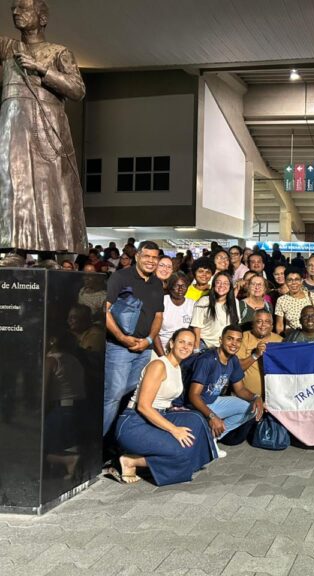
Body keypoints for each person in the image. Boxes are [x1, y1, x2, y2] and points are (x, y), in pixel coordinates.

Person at [0, 0, 87, 254]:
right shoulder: (7, 48)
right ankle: (14, 249)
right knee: (15, 184)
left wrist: (41, 69)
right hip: (13, 127)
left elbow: (77, 90)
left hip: (47, 128)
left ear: (43, 18)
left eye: (24, 9)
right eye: (13, 9)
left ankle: (51, 253)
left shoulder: (59, 52)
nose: (16, 13)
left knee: (51, 187)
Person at [111, 328, 215, 485]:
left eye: (190, 344)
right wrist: (175, 430)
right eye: (181, 342)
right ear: (172, 343)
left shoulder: (177, 367)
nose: (185, 347)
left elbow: (163, 399)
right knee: (181, 451)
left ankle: (174, 461)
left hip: (159, 415)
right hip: (134, 423)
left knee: (197, 419)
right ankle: (130, 461)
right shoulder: (159, 365)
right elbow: (144, 407)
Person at [103, 241, 164, 437]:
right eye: (147, 256)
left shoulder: (156, 283)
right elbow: (104, 310)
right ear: (137, 256)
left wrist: (149, 340)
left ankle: (118, 438)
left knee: (131, 395)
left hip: (144, 349)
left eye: (155, 257)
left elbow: (158, 316)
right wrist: (122, 337)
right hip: (119, 348)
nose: (151, 261)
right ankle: (99, 444)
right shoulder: (120, 277)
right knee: (113, 395)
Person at [183, 325, 263, 455]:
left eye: (238, 340)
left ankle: (211, 438)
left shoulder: (233, 360)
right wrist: (212, 416)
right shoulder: (207, 360)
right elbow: (194, 395)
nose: (234, 344)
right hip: (197, 406)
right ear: (221, 340)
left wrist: (256, 397)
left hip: (213, 401)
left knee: (252, 409)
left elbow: (240, 389)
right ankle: (206, 439)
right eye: (230, 339)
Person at [237, 309, 283, 397]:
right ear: (253, 324)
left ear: (272, 326)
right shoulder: (243, 337)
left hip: (275, 397)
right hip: (249, 397)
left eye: (267, 321)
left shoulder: (280, 341)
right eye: (259, 321)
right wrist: (255, 355)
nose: (263, 325)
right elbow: (237, 368)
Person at [191, 271, 240, 351]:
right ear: (214, 285)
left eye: (225, 283)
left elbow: (235, 325)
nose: (221, 286)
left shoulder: (235, 302)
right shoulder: (204, 301)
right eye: (218, 282)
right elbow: (197, 327)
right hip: (205, 345)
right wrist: (196, 349)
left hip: (224, 346)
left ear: (230, 286)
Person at [155, 272, 194, 356]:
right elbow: (154, 333)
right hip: (161, 348)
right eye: (176, 286)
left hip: (183, 350)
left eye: (183, 286)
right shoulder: (162, 301)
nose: (180, 289)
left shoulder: (192, 305)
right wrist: (163, 357)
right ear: (170, 286)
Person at [275, 267, 314, 335]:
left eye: (297, 279)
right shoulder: (281, 300)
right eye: (290, 280)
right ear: (285, 281)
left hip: (312, 337)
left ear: (302, 280)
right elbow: (279, 326)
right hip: (292, 339)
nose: (293, 283)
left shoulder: (312, 296)